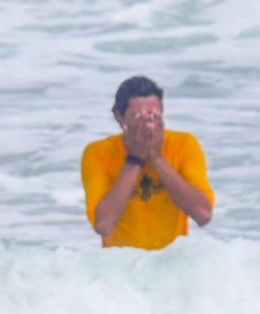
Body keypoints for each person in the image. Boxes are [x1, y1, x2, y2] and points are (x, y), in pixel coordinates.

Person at [81, 75, 214, 249]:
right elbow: (103, 225)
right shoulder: (98, 152)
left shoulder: (183, 144)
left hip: (170, 261)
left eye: (154, 115)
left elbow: (203, 215)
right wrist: (134, 159)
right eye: (139, 117)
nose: (148, 124)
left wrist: (157, 158)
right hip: (119, 264)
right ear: (119, 117)